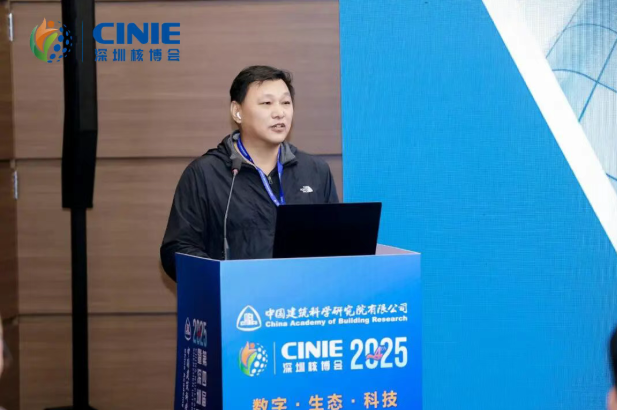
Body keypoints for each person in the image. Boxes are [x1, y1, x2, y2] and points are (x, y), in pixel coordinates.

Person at [160, 65, 339, 281]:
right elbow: (177, 249)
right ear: (237, 111)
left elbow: (335, 245)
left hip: (301, 296)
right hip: (236, 298)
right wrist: (225, 279)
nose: (279, 112)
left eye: (285, 103)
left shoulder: (315, 171)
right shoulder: (204, 174)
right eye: (266, 103)